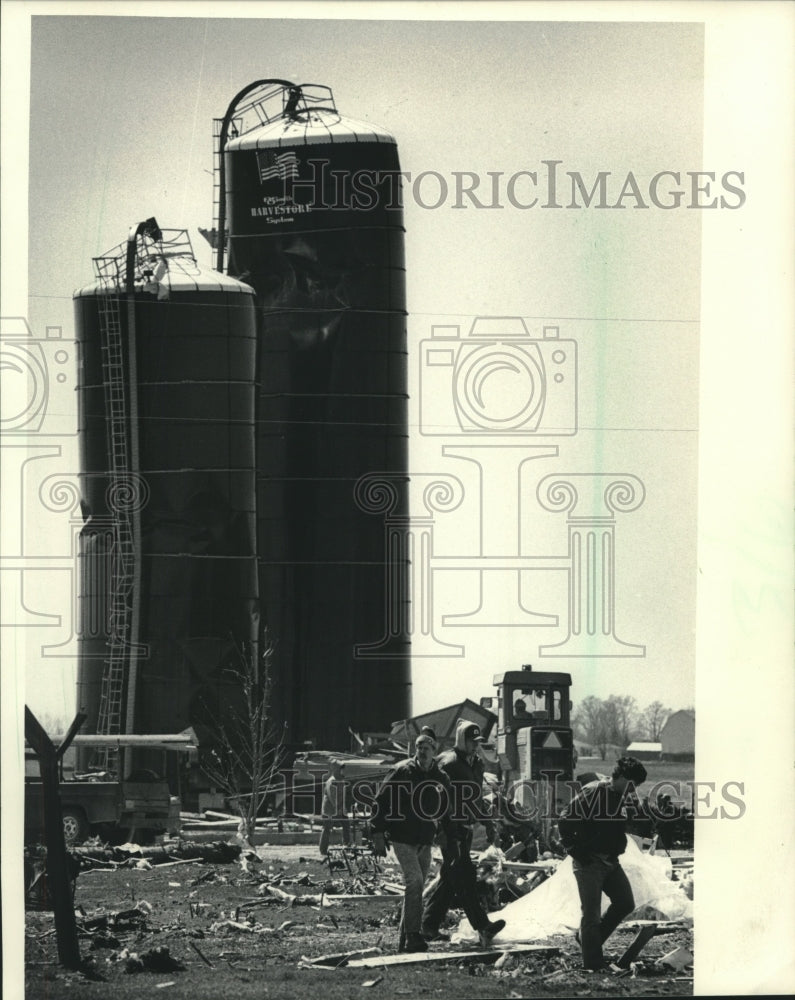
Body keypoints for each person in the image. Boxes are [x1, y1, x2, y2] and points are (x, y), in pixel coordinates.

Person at [558, 755, 648, 971]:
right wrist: (574, 849)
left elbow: (625, 824)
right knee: (591, 914)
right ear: (622, 777)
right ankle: (593, 964)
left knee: (625, 902)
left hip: (610, 861)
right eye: (632, 784)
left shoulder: (622, 796)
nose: (633, 789)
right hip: (589, 861)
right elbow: (565, 818)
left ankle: (589, 940)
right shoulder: (594, 791)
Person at [421, 721, 506, 949]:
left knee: (450, 878)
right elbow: (431, 797)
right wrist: (439, 830)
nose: (475, 746)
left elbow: (475, 799)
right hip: (451, 830)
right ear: (461, 741)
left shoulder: (475, 764)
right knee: (464, 874)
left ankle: (427, 926)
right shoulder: (448, 764)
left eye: (477, 742)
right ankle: (483, 925)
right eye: (471, 742)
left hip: (466, 829)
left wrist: (488, 824)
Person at [371, 733, 452, 953]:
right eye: (419, 747)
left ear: (434, 750)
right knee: (415, 881)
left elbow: (447, 807)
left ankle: (404, 941)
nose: (423, 751)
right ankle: (414, 936)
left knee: (415, 888)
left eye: (427, 747)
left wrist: (445, 832)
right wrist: (377, 832)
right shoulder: (402, 771)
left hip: (425, 840)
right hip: (402, 837)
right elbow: (381, 799)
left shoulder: (439, 776)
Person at [318, 759, 352, 856]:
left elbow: (342, 796)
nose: (342, 770)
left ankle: (347, 847)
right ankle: (323, 850)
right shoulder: (331, 781)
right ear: (336, 769)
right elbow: (332, 797)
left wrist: (343, 808)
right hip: (329, 810)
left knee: (346, 824)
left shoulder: (341, 780)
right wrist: (339, 809)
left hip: (339, 809)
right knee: (327, 828)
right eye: (340, 768)